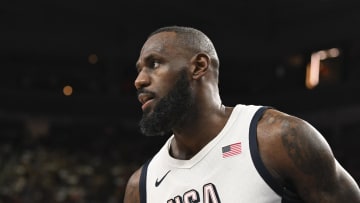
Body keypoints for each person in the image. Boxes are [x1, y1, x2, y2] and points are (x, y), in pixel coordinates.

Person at [123, 25, 360, 203]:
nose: (139, 80)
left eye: (154, 64)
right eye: (139, 69)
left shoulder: (278, 139)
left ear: (198, 66)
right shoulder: (140, 186)